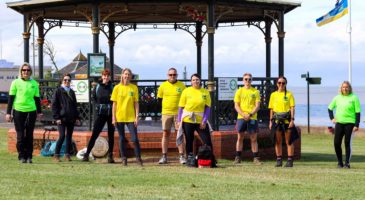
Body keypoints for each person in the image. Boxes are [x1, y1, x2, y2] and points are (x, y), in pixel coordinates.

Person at [6, 63, 42, 163]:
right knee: (20, 136)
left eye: (28, 70)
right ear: (21, 71)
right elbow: (11, 98)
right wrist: (8, 113)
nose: (26, 72)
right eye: (24, 70)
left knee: (30, 135)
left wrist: (39, 112)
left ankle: (29, 156)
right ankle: (21, 156)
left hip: (31, 111)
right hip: (18, 111)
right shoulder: (15, 82)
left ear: (31, 72)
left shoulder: (34, 83)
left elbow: (37, 98)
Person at [178, 73, 216, 167]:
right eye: (194, 80)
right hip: (188, 119)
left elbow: (208, 108)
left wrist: (204, 121)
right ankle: (190, 159)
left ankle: (210, 159)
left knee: (207, 140)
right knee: (189, 140)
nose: (195, 81)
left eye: (197, 79)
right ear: (191, 81)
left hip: (200, 120)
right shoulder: (186, 91)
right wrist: (179, 120)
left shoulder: (205, 92)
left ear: (200, 81)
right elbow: (181, 107)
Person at [111, 68, 143, 166]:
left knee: (134, 139)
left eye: (129, 74)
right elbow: (114, 104)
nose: (127, 76)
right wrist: (113, 117)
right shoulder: (117, 88)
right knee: (121, 138)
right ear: (122, 75)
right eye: (125, 74)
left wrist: (137, 116)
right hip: (119, 116)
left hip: (131, 117)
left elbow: (136, 103)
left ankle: (138, 158)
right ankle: (124, 158)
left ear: (131, 76)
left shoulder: (134, 88)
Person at [83, 69, 115, 163]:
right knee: (95, 134)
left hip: (110, 114)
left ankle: (110, 156)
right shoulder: (97, 87)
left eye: (108, 76)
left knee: (111, 135)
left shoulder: (112, 87)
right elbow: (93, 98)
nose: (106, 77)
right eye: (104, 76)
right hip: (100, 114)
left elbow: (115, 100)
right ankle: (86, 154)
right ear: (102, 76)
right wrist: (98, 107)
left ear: (109, 77)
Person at [328, 81, 361, 169]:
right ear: (341, 88)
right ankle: (340, 162)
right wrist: (332, 118)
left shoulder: (354, 98)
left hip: (350, 123)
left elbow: (357, 112)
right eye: (343, 87)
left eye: (346, 87)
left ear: (349, 88)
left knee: (347, 143)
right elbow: (330, 108)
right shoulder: (337, 98)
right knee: (336, 143)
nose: (345, 89)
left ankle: (347, 163)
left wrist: (356, 125)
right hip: (339, 123)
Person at [157, 68, 186, 164]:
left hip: (179, 114)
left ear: (177, 75)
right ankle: (164, 156)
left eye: (174, 74)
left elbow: (186, 99)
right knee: (165, 133)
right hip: (166, 113)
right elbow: (159, 99)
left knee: (179, 134)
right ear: (167, 75)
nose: (172, 76)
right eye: (170, 75)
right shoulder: (163, 86)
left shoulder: (182, 86)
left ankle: (182, 156)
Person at [233, 73, 261, 165]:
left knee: (253, 138)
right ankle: (238, 157)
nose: (247, 81)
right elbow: (236, 105)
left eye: (249, 79)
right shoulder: (239, 91)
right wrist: (243, 114)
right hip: (241, 117)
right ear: (243, 80)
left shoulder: (255, 92)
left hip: (252, 117)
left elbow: (257, 106)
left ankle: (256, 158)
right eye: (246, 79)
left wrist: (250, 114)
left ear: (251, 80)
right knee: (240, 137)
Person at [52, 73, 80, 162]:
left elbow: (75, 105)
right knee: (62, 136)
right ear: (62, 81)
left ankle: (67, 154)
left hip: (71, 118)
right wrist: (57, 118)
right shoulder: (58, 91)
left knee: (69, 137)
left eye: (68, 80)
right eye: (65, 80)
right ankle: (56, 155)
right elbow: (54, 105)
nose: (67, 81)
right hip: (62, 118)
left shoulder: (71, 91)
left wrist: (77, 117)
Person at [268, 76, 296, 167]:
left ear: (286, 84)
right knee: (278, 141)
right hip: (276, 121)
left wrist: (292, 119)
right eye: (279, 83)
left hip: (287, 121)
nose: (281, 85)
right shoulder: (273, 95)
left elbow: (292, 108)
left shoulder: (289, 94)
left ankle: (290, 160)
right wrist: (270, 121)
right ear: (276, 84)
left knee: (289, 141)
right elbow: (271, 109)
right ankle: (279, 160)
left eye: (283, 83)